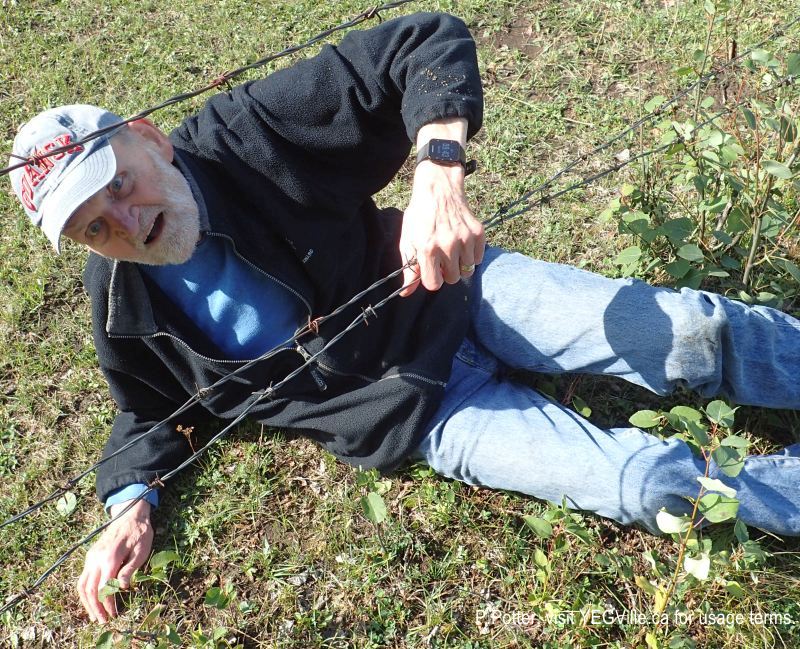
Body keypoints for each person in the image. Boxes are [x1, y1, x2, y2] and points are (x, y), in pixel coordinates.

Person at [9, 12, 800, 625]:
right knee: (647, 485)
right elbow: (146, 408)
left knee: (694, 332)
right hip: (421, 412)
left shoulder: (242, 138)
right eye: (92, 225)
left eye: (117, 184)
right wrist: (129, 504)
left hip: (448, 282)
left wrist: (439, 174)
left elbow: (422, 43)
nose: (124, 220)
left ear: (149, 140)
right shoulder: (120, 299)